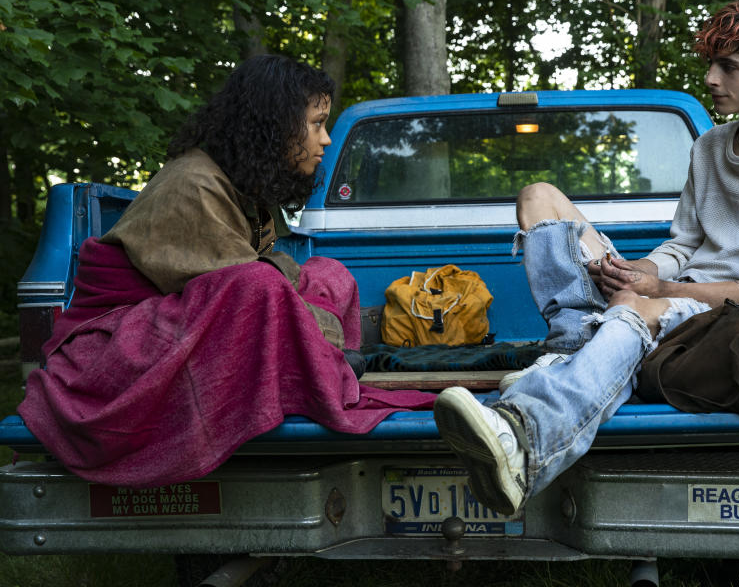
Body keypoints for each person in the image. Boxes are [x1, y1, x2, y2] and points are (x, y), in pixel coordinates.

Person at [434, 0, 739, 515]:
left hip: (736, 315)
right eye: (711, 64)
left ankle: (525, 438)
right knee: (539, 197)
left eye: (730, 67)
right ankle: (578, 345)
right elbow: (684, 244)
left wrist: (661, 291)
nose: (711, 79)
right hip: (669, 295)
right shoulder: (711, 146)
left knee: (638, 307)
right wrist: (640, 269)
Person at [18, 54, 434, 488]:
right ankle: (323, 373)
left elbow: (270, 278)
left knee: (328, 272)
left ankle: (322, 371)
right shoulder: (194, 185)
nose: (325, 140)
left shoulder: (242, 189)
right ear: (275, 126)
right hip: (114, 353)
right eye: (315, 124)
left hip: (179, 327)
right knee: (259, 286)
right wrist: (319, 339)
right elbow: (251, 291)